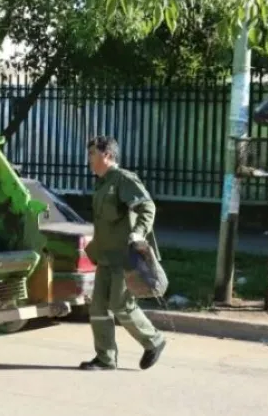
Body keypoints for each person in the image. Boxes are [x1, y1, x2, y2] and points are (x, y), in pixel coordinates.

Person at [80, 136, 166, 371]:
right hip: (106, 256)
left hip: (124, 257)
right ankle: (105, 358)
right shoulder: (102, 183)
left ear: (107, 155)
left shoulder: (123, 179)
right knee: (98, 308)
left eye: (92, 154)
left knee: (121, 304)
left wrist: (138, 233)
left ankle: (154, 340)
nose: (89, 159)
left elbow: (147, 207)